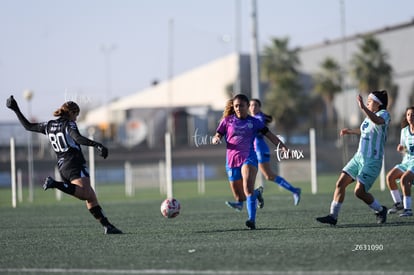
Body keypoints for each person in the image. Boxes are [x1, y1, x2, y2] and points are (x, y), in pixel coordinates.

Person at [6, 95, 122, 234]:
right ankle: (54, 184)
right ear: (71, 113)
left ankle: (108, 226)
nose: (76, 119)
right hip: (74, 162)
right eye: (76, 115)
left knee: (90, 196)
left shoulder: (49, 125)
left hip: (62, 166)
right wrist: (97, 145)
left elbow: (28, 126)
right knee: (85, 194)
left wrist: (15, 109)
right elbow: (77, 138)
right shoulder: (69, 124)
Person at [212, 94, 288, 230]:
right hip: (231, 160)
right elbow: (218, 133)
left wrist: (281, 146)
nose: (238, 108)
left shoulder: (254, 122)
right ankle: (257, 194)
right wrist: (216, 138)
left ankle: (251, 220)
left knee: (247, 187)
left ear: (247, 106)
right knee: (239, 196)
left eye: (241, 105)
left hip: (249, 157)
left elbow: (270, 135)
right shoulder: (227, 121)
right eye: (236, 106)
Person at [316, 90, 390, 225]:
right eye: (366, 100)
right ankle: (333, 216)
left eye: (370, 100)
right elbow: (364, 131)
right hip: (358, 157)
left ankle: (380, 210)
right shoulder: (369, 117)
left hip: (372, 161)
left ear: (378, 104)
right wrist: (349, 131)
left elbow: (378, 122)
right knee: (340, 183)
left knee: (359, 192)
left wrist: (363, 108)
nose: (367, 102)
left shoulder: (384, 114)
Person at [249, 98, 301, 207]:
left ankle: (294, 190)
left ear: (259, 107)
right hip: (255, 150)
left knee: (268, 175)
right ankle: (251, 197)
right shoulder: (252, 118)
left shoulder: (259, 118)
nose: (253, 107)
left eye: (255, 105)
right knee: (264, 176)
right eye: (251, 105)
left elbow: (259, 130)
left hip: (260, 150)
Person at [385, 106, 414, 217]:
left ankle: (408, 210)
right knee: (389, 177)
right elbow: (403, 148)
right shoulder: (404, 131)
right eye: (408, 115)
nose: (410, 117)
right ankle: (398, 204)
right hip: (406, 162)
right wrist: (401, 149)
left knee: (404, 179)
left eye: (413, 115)